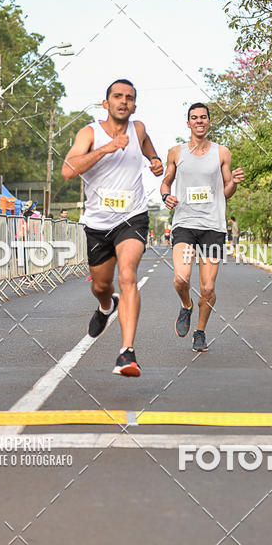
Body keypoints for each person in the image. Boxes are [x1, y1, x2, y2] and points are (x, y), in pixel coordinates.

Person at [61, 78, 163, 376]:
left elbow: (147, 147)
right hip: (97, 223)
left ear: (134, 104)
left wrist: (155, 160)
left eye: (129, 98)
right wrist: (107, 148)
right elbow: (68, 170)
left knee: (128, 275)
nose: (123, 101)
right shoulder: (89, 132)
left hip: (132, 216)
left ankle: (126, 353)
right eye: (117, 97)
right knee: (101, 285)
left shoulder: (139, 128)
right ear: (106, 103)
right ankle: (106, 306)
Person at [160, 103, 245, 352]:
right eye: (194, 118)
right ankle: (186, 305)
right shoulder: (176, 152)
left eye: (203, 117)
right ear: (188, 123)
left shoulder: (222, 153)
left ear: (209, 122)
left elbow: (226, 190)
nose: (199, 121)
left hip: (213, 226)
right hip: (185, 223)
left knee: (208, 287)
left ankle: (200, 332)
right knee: (180, 278)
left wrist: (235, 183)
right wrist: (166, 196)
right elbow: (166, 181)